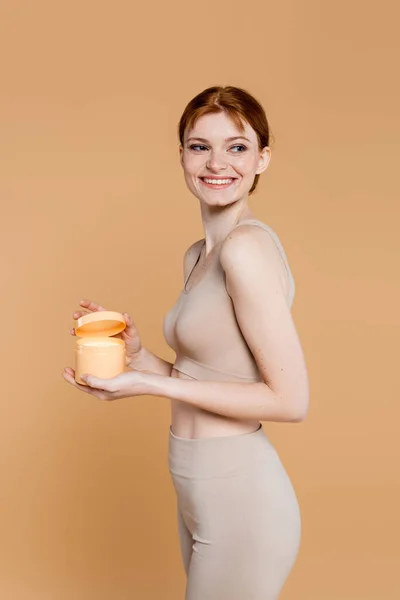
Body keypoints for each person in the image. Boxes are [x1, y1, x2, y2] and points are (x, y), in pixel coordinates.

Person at [63, 85, 310, 599]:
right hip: (196, 483)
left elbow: (289, 400)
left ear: (263, 159)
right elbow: (204, 379)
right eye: (200, 146)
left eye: (237, 147)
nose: (217, 162)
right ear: (181, 156)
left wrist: (149, 387)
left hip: (239, 490)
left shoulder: (246, 249)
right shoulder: (200, 253)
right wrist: (138, 356)